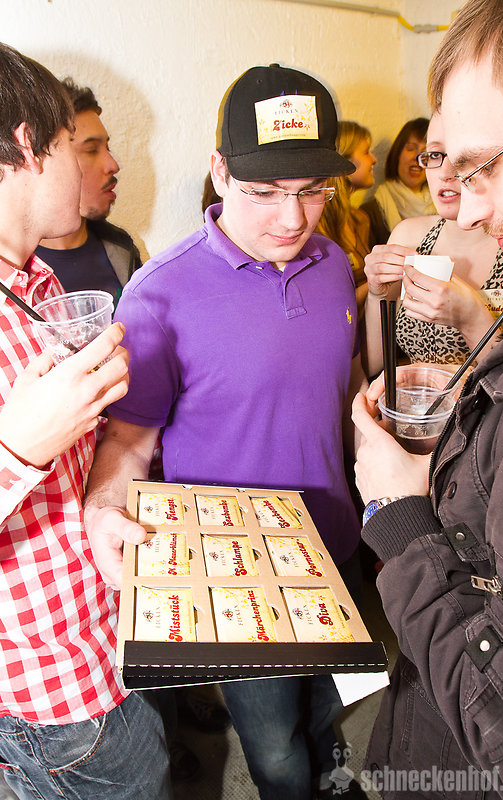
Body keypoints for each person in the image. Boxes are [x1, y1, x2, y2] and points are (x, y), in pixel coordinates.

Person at [83, 63, 368, 800]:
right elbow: (128, 443)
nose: (292, 218)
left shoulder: (333, 263)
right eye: (264, 191)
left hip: (336, 547)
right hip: (240, 581)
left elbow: (339, 392)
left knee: (329, 704)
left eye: (312, 190)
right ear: (219, 171)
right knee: (274, 750)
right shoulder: (160, 294)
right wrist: (104, 507)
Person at [353, 0, 503, 796]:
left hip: (458, 475)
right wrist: (377, 299)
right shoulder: (412, 237)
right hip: (429, 444)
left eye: (477, 163)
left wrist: (464, 312)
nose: (457, 186)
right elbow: (388, 361)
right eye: (438, 161)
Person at [0, 42, 171, 800]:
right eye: (78, 145)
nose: (99, 166)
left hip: (100, 636)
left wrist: (98, 507)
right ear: (32, 145)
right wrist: (18, 445)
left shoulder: (33, 277)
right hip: (52, 700)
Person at [362, 111, 503, 376]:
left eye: (460, 156)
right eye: (434, 155)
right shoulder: (409, 236)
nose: (445, 173)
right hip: (416, 402)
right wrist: (376, 295)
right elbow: (373, 364)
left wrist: (472, 320)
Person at [35, 79, 141, 306]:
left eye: (107, 148)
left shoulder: (122, 252)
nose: (112, 165)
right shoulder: (13, 270)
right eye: (91, 150)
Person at [316, 121, 375, 311]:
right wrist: (378, 282)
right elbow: (331, 309)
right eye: (366, 152)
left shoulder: (361, 220)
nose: (374, 159)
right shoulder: (315, 227)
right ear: (344, 161)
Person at [361, 117, 435, 247]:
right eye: (410, 148)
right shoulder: (371, 213)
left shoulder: (444, 208)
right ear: (397, 154)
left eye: (426, 152)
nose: (417, 157)